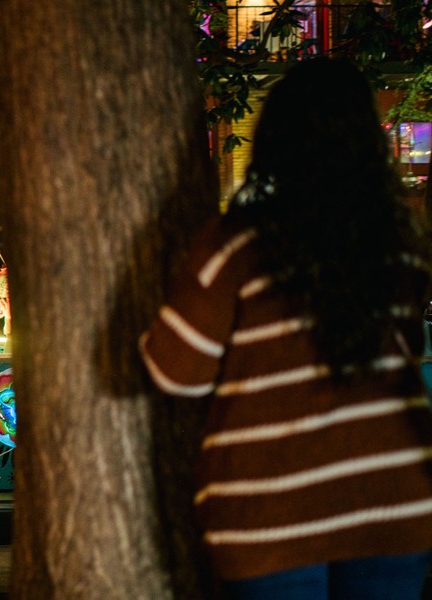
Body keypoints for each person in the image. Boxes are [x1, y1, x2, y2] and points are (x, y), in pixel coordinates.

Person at [139, 58, 432, 599]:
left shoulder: (238, 246)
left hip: (269, 509)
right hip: (392, 500)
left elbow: (175, 372)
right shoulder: (398, 247)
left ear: (274, 140)